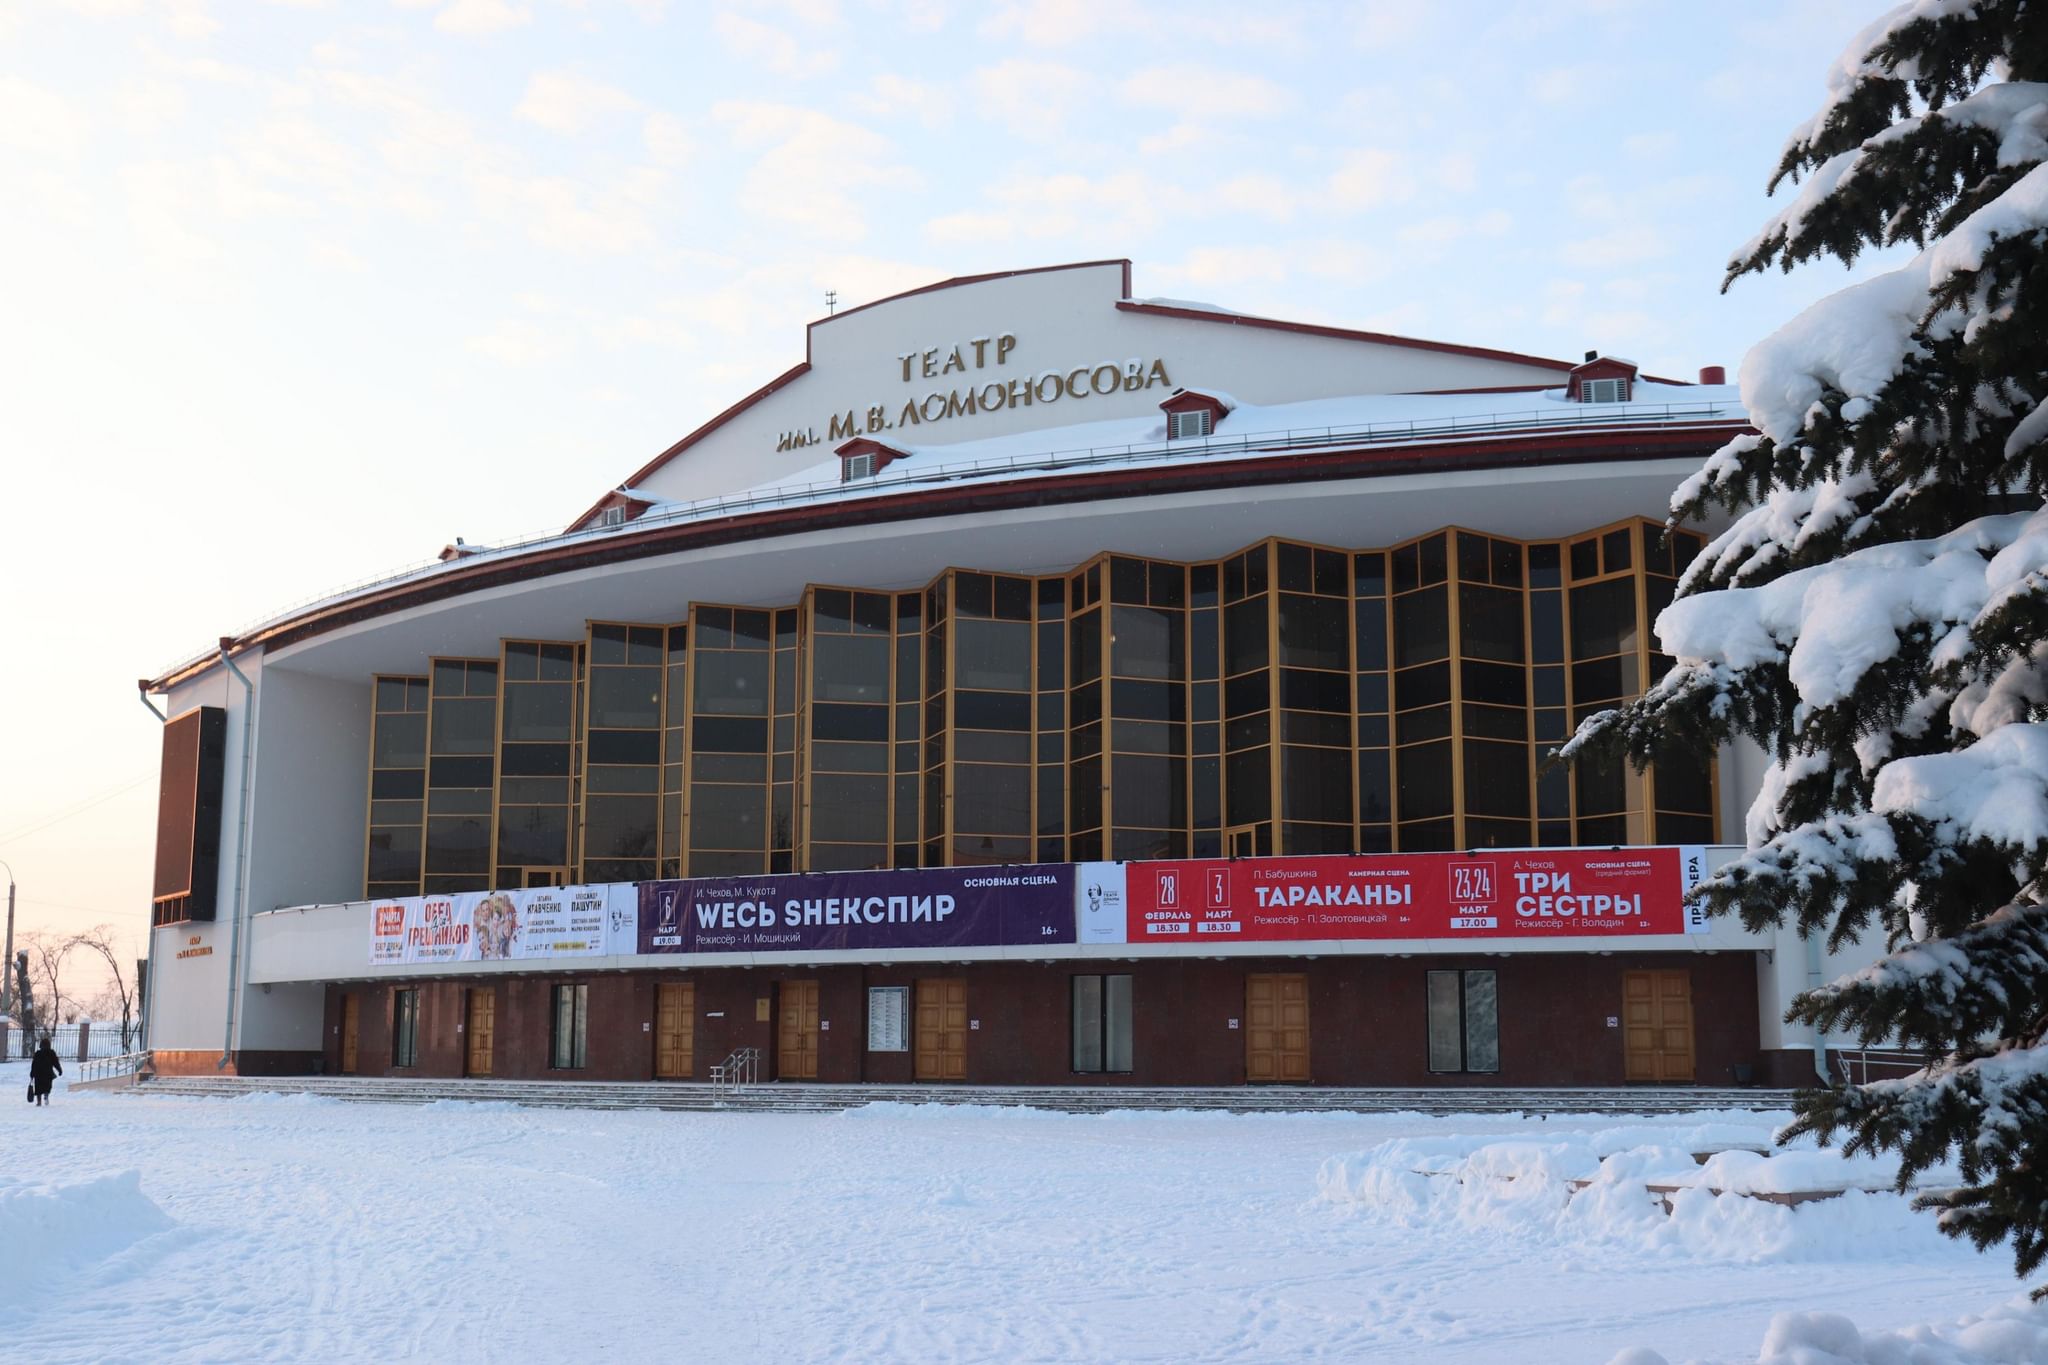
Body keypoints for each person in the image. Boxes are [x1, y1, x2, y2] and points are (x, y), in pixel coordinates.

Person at [29, 1036, 61, 1107]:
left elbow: (34, 1064)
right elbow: (56, 1062)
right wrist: (59, 1070)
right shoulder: (51, 1053)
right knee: (47, 1086)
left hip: (38, 1074)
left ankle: (39, 1102)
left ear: (41, 1045)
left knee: (38, 1088)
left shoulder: (38, 1053)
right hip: (48, 1073)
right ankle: (46, 1095)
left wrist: (32, 1074)